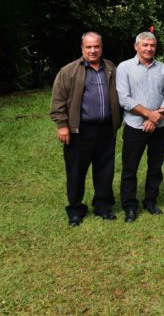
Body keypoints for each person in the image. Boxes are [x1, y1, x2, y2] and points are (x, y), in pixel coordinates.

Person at [50, 32, 121, 226]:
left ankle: (102, 205)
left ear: (101, 48)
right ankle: (75, 209)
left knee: (105, 170)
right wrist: (62, 125)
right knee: (76, 171)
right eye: (88, 47)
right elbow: (58, 100)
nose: (93, 50)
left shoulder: (110, 68)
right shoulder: (69, 71)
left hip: (106, 129)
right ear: (82, 49)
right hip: (79, 131)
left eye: (96, 46)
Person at [116, 31, 164, 222]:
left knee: (155, 166)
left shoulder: (163, 69)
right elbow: (124, 99)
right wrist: (149, 114)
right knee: (130, 168)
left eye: (152, 46)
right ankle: (130, 205)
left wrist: (155, 118)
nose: (149, 49)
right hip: (135, 126)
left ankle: (150, 200)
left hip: (159, 126)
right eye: (145, 45)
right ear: (136, 47)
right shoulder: (124, 68)